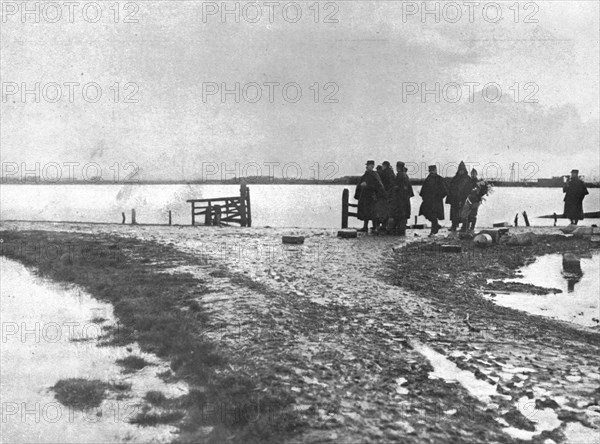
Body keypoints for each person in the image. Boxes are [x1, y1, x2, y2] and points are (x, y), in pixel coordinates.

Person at [354, 160, 384, 232]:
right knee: (365, 212)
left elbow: (379, 186)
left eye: (370, 165)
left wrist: (368, 186)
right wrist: (361, 186)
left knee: (374, 212)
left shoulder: (375, 175)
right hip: (365, 196)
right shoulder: (365, 175)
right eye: (367, 165)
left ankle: (376, 227)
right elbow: (360, 184)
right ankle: (365, 226)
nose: (367, 167)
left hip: (372, 197)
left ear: (372, 166)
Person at [419, 165, 448, 235]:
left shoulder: (432, 179)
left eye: (433, 170)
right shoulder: (434, 179)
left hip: (432, 201)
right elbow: (445, 191)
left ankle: (433, 230)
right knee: (431, 214)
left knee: (431, 214)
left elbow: (445, 191)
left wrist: (439, 197)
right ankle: (435, 227)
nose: (432, 172)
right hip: (433, 201)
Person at [389, 161, 414, 235]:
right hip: (405, 199)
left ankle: (400, 231)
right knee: (403, 215)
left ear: (398, 167)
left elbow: (396, 187)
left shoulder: (400, 175)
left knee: (400, 215)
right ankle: (401, 230)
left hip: (400, 199)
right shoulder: (405, 175)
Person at [446, 161, 471, 231]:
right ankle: (454, 226)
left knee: (464, 213)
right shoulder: (455, 178)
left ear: (464, 170)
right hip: (455, 199)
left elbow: (469, 189)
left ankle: (464, 227)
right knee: (454, 214)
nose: (461, 172)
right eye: (460, 170)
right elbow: (451, 188)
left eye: (462, 170)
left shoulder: (467, 179)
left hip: (464, 199)